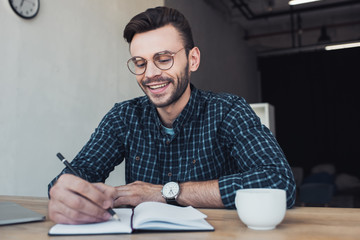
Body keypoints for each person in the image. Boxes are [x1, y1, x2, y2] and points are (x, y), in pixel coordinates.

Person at [48, 6, 296, 224]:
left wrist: (164, 192)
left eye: (163, 59)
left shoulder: (228, 110)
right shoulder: (123, 117)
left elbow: (278, 181)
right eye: (140, 62)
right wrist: (66, 194)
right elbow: (76, 173)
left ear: (193, 59)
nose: (150, 74)